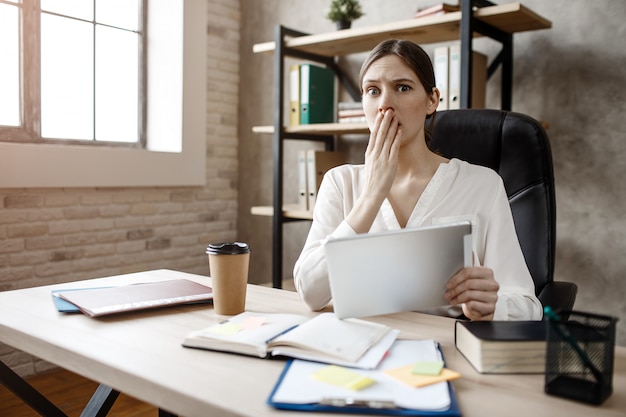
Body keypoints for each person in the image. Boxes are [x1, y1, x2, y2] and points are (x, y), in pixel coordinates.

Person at [293, 39, 542, 321]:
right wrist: (371, 196)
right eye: (372, 91)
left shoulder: (484, 184)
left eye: (403, 87)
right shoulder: (340, 182)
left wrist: (490, 306)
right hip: (359, 347)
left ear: (432, 100)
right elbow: (310, 293)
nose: (385, 104)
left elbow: (527, 305)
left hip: (445, 350)